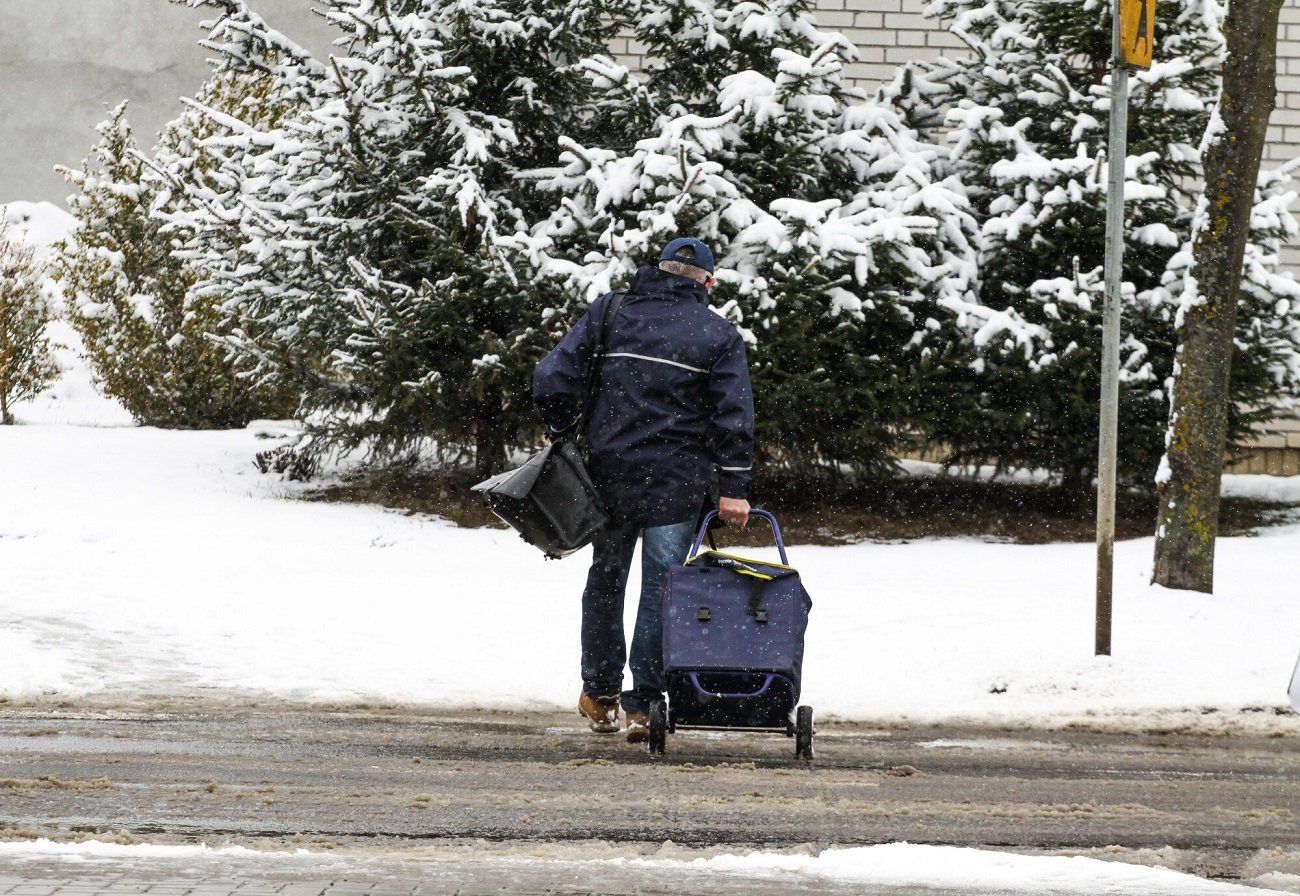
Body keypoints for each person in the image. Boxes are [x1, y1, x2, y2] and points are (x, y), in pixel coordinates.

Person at [533, 237, 755, 742]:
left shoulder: (611, 312)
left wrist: (564, 430)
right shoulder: (717, 334)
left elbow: (552, 377)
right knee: (662, 589)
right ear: (707, 284)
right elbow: (732, 417)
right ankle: (644, 704)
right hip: (677, 482)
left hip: (608, 475)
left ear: (657, 270)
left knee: (606, 578)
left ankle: (600, 694)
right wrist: (734, 487)